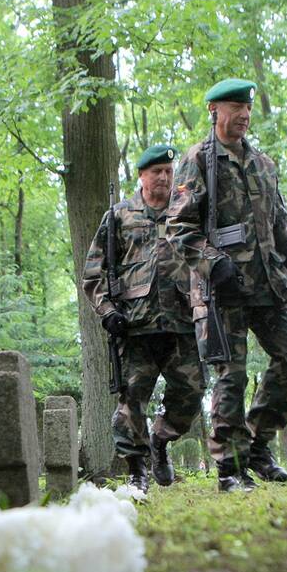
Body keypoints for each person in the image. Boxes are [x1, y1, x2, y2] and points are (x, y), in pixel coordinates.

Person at [166, 79, 287, 493]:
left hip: (270, 284)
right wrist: (213, 264)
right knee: (230, 377)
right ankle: (230, 468)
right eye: (235, 108)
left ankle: (259, 446)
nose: (244, 116)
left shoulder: (263, 164)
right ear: (214, 110)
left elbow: (280, 226)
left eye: (247, 109)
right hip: (222, 290)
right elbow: (178, 227)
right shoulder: (196, 161)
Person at [83, 144, 205, 493]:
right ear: (142, 176)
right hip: (135, 326)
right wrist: (107, 312)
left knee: (192, 393)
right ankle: (137, 469)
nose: (164, 177)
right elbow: (94, 273)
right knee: (131, 400)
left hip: (182, 322)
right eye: (157, 172)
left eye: (168, 171)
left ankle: (161, 440)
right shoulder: (119, 216)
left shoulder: (186, 213)